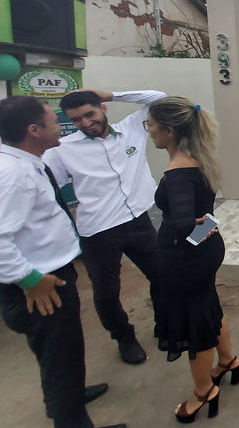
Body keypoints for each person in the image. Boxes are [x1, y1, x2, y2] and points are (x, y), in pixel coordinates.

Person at [0, 95, 127, 428]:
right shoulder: (14, 175)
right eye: (54, 121)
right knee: (61, 354)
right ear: (34, 130)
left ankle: (65, 396)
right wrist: (30, 280)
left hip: (46, 273)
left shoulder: (25, 163)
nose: (63, 127)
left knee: (56, 351)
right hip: (40, 283)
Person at [44, 89, 165, 365]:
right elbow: (47, 188)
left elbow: (159, 98)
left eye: (90, 114)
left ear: (103, 108)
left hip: (138, 221)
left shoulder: (132, 128)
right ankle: (124, 338)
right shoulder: (62, 149)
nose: (86, 123)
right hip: (98, 231)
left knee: (162, 276)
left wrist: (109, 93)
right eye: (76, 119)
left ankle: (165, 323)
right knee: (106, 292)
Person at [144, 97, 239, 424]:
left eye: (151, 125)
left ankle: (204, 391)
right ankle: (227, 361)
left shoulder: (178, 171)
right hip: (204, 249)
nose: (149, 131)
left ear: (169, 131)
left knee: (194, 322)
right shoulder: (200, 158)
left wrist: (180, 228)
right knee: (208, 305)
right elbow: (199, 216)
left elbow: (184, 222)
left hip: (187, 258)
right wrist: (196, 226)